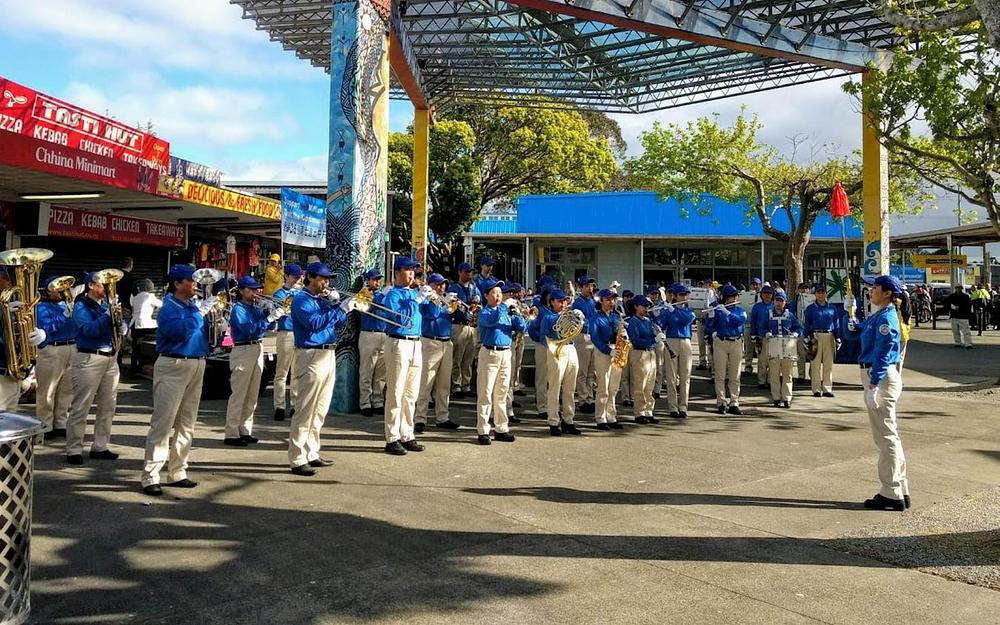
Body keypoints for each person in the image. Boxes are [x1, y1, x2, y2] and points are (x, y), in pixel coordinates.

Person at [140, 264, 212, 496]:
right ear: (177, 284)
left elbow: (201, 332)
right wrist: (200, 314)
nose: (196, 285)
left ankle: (178, 470)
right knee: (163, 422)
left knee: (187, 423)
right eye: (191, 281)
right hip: (174, 364)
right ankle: (150, 475)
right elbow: (179, 332)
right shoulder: (168, 307)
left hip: (195, 362)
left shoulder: (191, 305)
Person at [846, 275, 910, 512]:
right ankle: (900, 488)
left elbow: (884, 352)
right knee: (889, 435)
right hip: (877, 376)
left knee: (885, 437)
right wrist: (850, 315)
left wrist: (873, 385)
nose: (870, 290)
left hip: (879, 376)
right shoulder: (879, 316)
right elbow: (858, 332)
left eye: (875, 287)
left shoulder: (887, 318)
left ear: (887, 293)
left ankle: (891, 493)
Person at [288, 262, 350, 475]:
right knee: (305, 409)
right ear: (311, 277)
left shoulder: (321, 299)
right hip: (310, 354)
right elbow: (315, 324)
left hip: (328, 353)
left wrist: (336, 306)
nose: (327, 282)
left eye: (328, 278)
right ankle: (297, 458)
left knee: (320, 409)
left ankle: (311, 452)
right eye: (323, 278)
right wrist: (337, 309)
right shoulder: (301, 300)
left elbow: (338, 324)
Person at [65, 272, 126, 465]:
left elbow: (114, 328)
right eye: (103, 284)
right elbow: (88, 331)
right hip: (89, 357)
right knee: (81, 406)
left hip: (110, 357)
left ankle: (100, 446)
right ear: (91, 285)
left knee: (108, 406)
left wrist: (120, 324)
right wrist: (107, 317)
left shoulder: (106, 305)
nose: (107, 288)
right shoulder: (80, 306)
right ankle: (74, 449)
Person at [224, 276, 281, 447]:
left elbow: (268, 327)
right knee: (239, 394)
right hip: (243, 349)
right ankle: (231, 432)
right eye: (251, 289)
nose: (255, 292)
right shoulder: (238, 309)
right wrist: (268, 319)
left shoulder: (254, 308)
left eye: (256, 289)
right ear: (241, 291)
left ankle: (245, 430)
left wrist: (270, 312)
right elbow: (249, 329)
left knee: (252, 395)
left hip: (257, 348)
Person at [381, 257, 426, 456]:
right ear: (398, 272)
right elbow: (399, 317)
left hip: (416, 342)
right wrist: (416, 301)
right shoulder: (393, 295)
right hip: (398, 342)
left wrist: (430, 298)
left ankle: (407, 433)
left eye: (413, 271)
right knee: (396, 391)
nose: (412, 274)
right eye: (408, 270)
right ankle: (392, 437)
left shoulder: (414, 292)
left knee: (411, 394)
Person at [475, 279, 524, 444]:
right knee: (485, 393)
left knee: (502, 392)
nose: (498, 296)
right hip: (490, 352)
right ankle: (483, 430)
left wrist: (517, 315)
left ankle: (501, 428)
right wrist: (503, 307)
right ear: (486, 296)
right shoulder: (485, 312)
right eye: (494, 293)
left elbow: (522, 328)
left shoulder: (506, 311)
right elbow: (492, 320)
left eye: (500, 293)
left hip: (505, 353)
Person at [416, 273, 460, 433]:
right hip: (430, 342)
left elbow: (457, 315)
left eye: (443, 284)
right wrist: (442, 303)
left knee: (444, 384)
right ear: (431, 285)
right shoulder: (425, 300)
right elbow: (432, 314)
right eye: (438, 284)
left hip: (447, 342)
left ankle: (443, 417)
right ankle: (420, 418)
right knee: (425, 382)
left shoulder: (446, 299)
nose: (442, 287)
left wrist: (457, 306)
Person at [35, 277, 76, 439]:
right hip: (53, 348)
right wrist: (64, 316)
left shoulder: (69, 305)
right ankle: (45, 425)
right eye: (56, 288)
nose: (60, 291)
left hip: (72, 346)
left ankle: (60, 423)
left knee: (67, 390)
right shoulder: (41, 308)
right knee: (47, 390)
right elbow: (46, 328)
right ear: (49, 291)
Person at [541, 289, 583, 435]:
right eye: (559, 301)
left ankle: (568, 420)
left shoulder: (570, 314)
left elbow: (584, 328)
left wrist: (579, 318)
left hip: (570, 348)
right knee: (555, 387)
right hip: (556, 349)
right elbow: (543, 334)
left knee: (570, 388)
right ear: (552, 302)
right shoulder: (548, 316)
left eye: (565, 301)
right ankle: (553, 421)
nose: (563, 303)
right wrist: (563, 318)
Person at [706, 285, 747, 415]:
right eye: (729, 297)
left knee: (735, 375)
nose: (732, 299)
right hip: (721, 342)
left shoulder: (740, 310)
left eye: (734, 296)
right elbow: (709, 327)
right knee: (720, 374)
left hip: (736, 343)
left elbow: (739, 321)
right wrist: (712, 314)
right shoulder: (718, 309)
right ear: (723, 298)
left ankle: (734, 402)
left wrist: (727, 313)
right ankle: (721, 402)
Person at [589, 288, 625, 430]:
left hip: (616, 350)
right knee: (603, 386)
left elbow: (620, 331)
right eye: (609, 299)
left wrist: (624, 336)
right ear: (602, 301)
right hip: (603, 351)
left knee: (614, 387)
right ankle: (600, 418)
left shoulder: (616, 316)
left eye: (613, 299)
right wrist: (608, 350)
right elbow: (594, 337)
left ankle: (611, 416)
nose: (612, 302)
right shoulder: (596, 317)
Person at [272, 263, 303, 421]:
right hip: (285, 333)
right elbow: (277, 310)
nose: (298, 279)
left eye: (299, 276)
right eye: (295, 276)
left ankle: (295, 405)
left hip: (299, 333)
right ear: (287, 276)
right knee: (282, 372)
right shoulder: (279, 294)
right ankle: (279, 406)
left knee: (296, 372)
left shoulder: (301, 293)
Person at [661, 284, 696, 418]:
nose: (684, 297)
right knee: (671, 376)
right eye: (681, 295)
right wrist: (662, 313)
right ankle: (672, 407)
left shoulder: (689, 310)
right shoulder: (668, 310)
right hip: (671, 341)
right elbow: (661, 324)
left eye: (685, 294)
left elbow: (685, 320)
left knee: (685, 375)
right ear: (675, 296)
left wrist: (674, 311)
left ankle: (683, 407)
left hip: (685, 341)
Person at [357, 268, 387, 417]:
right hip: (369, 334)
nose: (377, 282)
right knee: (366, 371)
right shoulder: (363, 294)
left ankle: (378, 401)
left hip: (384, 334)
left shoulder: (383, 294)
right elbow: (364, 308)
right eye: (374, 279)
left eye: (378, 279)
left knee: (381, 373)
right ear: (367, 280)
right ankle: (365, 403)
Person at [447, 262, 480, 398]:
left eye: (470, 272)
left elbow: (480, 305)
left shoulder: (474, 288)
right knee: (457, 357)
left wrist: (477, 303)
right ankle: (456, 386)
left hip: (471, 326)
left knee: (468, 358)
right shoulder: (454, 288)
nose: (468, 274)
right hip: (458, 325)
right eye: (466, 272)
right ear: (460, 272)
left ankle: (466, 385)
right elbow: (450, 306)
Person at [803, 284, 841, 398]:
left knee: (828, 363)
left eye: (823, 292)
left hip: (829, 335)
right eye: (818, 292)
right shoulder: (810, 308)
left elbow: (836, 323)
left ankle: (827, 388)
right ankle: (816, 389)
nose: (821, 294)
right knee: (815, 364)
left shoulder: (832, 308)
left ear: (826, 294)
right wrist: (805, 337)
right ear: (815, 294)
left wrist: (838, 337)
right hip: (816, 335)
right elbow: (807, 324)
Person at [626, 295, 658, 425]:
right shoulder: (633, 321)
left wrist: (657, 335)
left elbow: (652, 334)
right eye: (643, 306)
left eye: (647, 306)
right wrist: (652, 340)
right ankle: (639, 412)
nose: (646, 308)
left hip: (650, 353)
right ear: (635, 307)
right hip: (639, 353)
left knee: (650, 384)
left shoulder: (648, 320)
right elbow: (635, 339)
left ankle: (649, 411)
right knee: (640, 384)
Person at [765, 291, 800, 409]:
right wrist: (766, 333)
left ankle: (787, 398)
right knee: (774, 374)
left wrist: (796, 333)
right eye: (777, 300)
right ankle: (775, 398)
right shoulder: (769, 314)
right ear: (774, 301)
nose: (779, 303)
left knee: (787, 374)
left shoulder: (790, 315)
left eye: (781, 301)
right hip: (774, 346)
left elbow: (798, 327)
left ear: (785, 303)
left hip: (787, 348)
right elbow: (762, 327)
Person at [527, 282, 554, 421]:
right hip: (542, 345)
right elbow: (531, 329)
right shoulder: (539, 309)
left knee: (554, 377)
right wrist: (541, 338)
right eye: (550, 294)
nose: (552, 297)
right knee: (542, 376)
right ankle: (542, 406)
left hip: (555, 346)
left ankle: (552, 406)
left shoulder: (556, 309)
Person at [571, 275, 598, 414]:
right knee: (582, 370)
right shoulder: (577, 303)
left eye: (591, 286)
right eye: (587, 286)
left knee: (591, 371)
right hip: (583, 336)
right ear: (580, 288)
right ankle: (582, 399)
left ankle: (589, 398)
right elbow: (578, 321)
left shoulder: (593, 301)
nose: (590, 288)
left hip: (593, 336)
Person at [128, 278, 162, 378]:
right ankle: (151, 361)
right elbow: (161, 305)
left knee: (135, 348)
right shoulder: (149, 296)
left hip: (135, 324)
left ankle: (133, 370)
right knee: (159, 336)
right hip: (146, 324)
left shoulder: (136, 297)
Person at [749, 285, 775, 389]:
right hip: (761, 336)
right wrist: (753, 334)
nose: (767, 295)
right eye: (765, 293)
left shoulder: (775, 306)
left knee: (772, 360)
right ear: (761, 295)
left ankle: (770, 380)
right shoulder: (757, 307)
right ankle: (761, 380)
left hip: (773, 337)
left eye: (769, 293)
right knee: (762, 359)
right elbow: (753, 322)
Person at [790, 282, 812, 381]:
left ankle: (813, 375)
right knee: (801, 354)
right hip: (801, 330)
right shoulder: (795, 300)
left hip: (811, 330)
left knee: (813, 354)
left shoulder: (813, 299)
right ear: (798, 289)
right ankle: (801, 375)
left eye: (806, 288)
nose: (804, 290)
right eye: (802, 288)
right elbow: (791, 314)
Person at [742, 277, 763, 373]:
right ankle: (748, 366)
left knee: (760, 348)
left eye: (757, 284)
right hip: (748, 324)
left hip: (759, 326)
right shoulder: (745, 296)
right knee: (748, 348)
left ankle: (761, 368)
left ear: (760, 285)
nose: (755, 286)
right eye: (753, 284)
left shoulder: (763, 296)